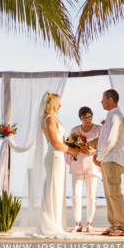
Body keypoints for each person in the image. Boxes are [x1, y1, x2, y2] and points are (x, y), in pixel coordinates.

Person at [34, 92, 78, 237]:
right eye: (58, 103)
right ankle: (52, 224)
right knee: (54, 188)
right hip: (55, 156)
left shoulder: (47, 118)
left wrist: (74, 146)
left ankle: (55, 223)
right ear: (53, 104)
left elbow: (59, 142)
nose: (60, 106)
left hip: (56, 156)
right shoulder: (50, 118)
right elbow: (54, 142)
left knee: (56, 188)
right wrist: (72, 150)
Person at [93, 89, 124, 236]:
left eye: (103, 99)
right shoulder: (110, 116)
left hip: (112, 159)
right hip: (107, 159)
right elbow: (102, 140)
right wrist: (96, 155)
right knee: (108, 194)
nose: (101, 102)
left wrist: (99, 157)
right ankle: (113, 224)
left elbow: (111, 140)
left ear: (110, 100)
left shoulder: (115, 116)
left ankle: (121, 227)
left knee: (114, 193)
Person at [66, 106, 101, 233]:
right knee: (76, 195)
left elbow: (103, 145)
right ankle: (77, 224)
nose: (87, 120)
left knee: (91, 195)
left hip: (92, 165)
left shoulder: (99, 129)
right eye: (84, 118)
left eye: (89, 116)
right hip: (78, 165)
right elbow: (69, 146)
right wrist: (76, 149)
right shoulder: (75, 130)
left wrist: (94, 151)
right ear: (80, 118)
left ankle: (89, 224)